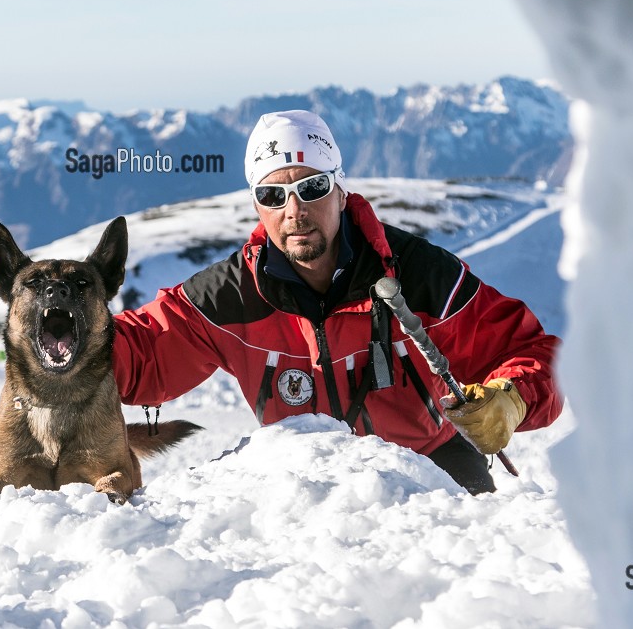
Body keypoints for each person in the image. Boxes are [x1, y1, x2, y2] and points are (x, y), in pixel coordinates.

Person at [112, 110, 563, 494]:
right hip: (304, 486)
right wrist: (61, 334)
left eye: (311, 188)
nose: (294, 211)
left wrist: (511, 399)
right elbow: (144, 351)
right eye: (273, 195)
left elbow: (535, 354)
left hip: (431, 470)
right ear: (256, 206)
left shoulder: (422, 277)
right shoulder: (231, 296)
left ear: (341, 192)